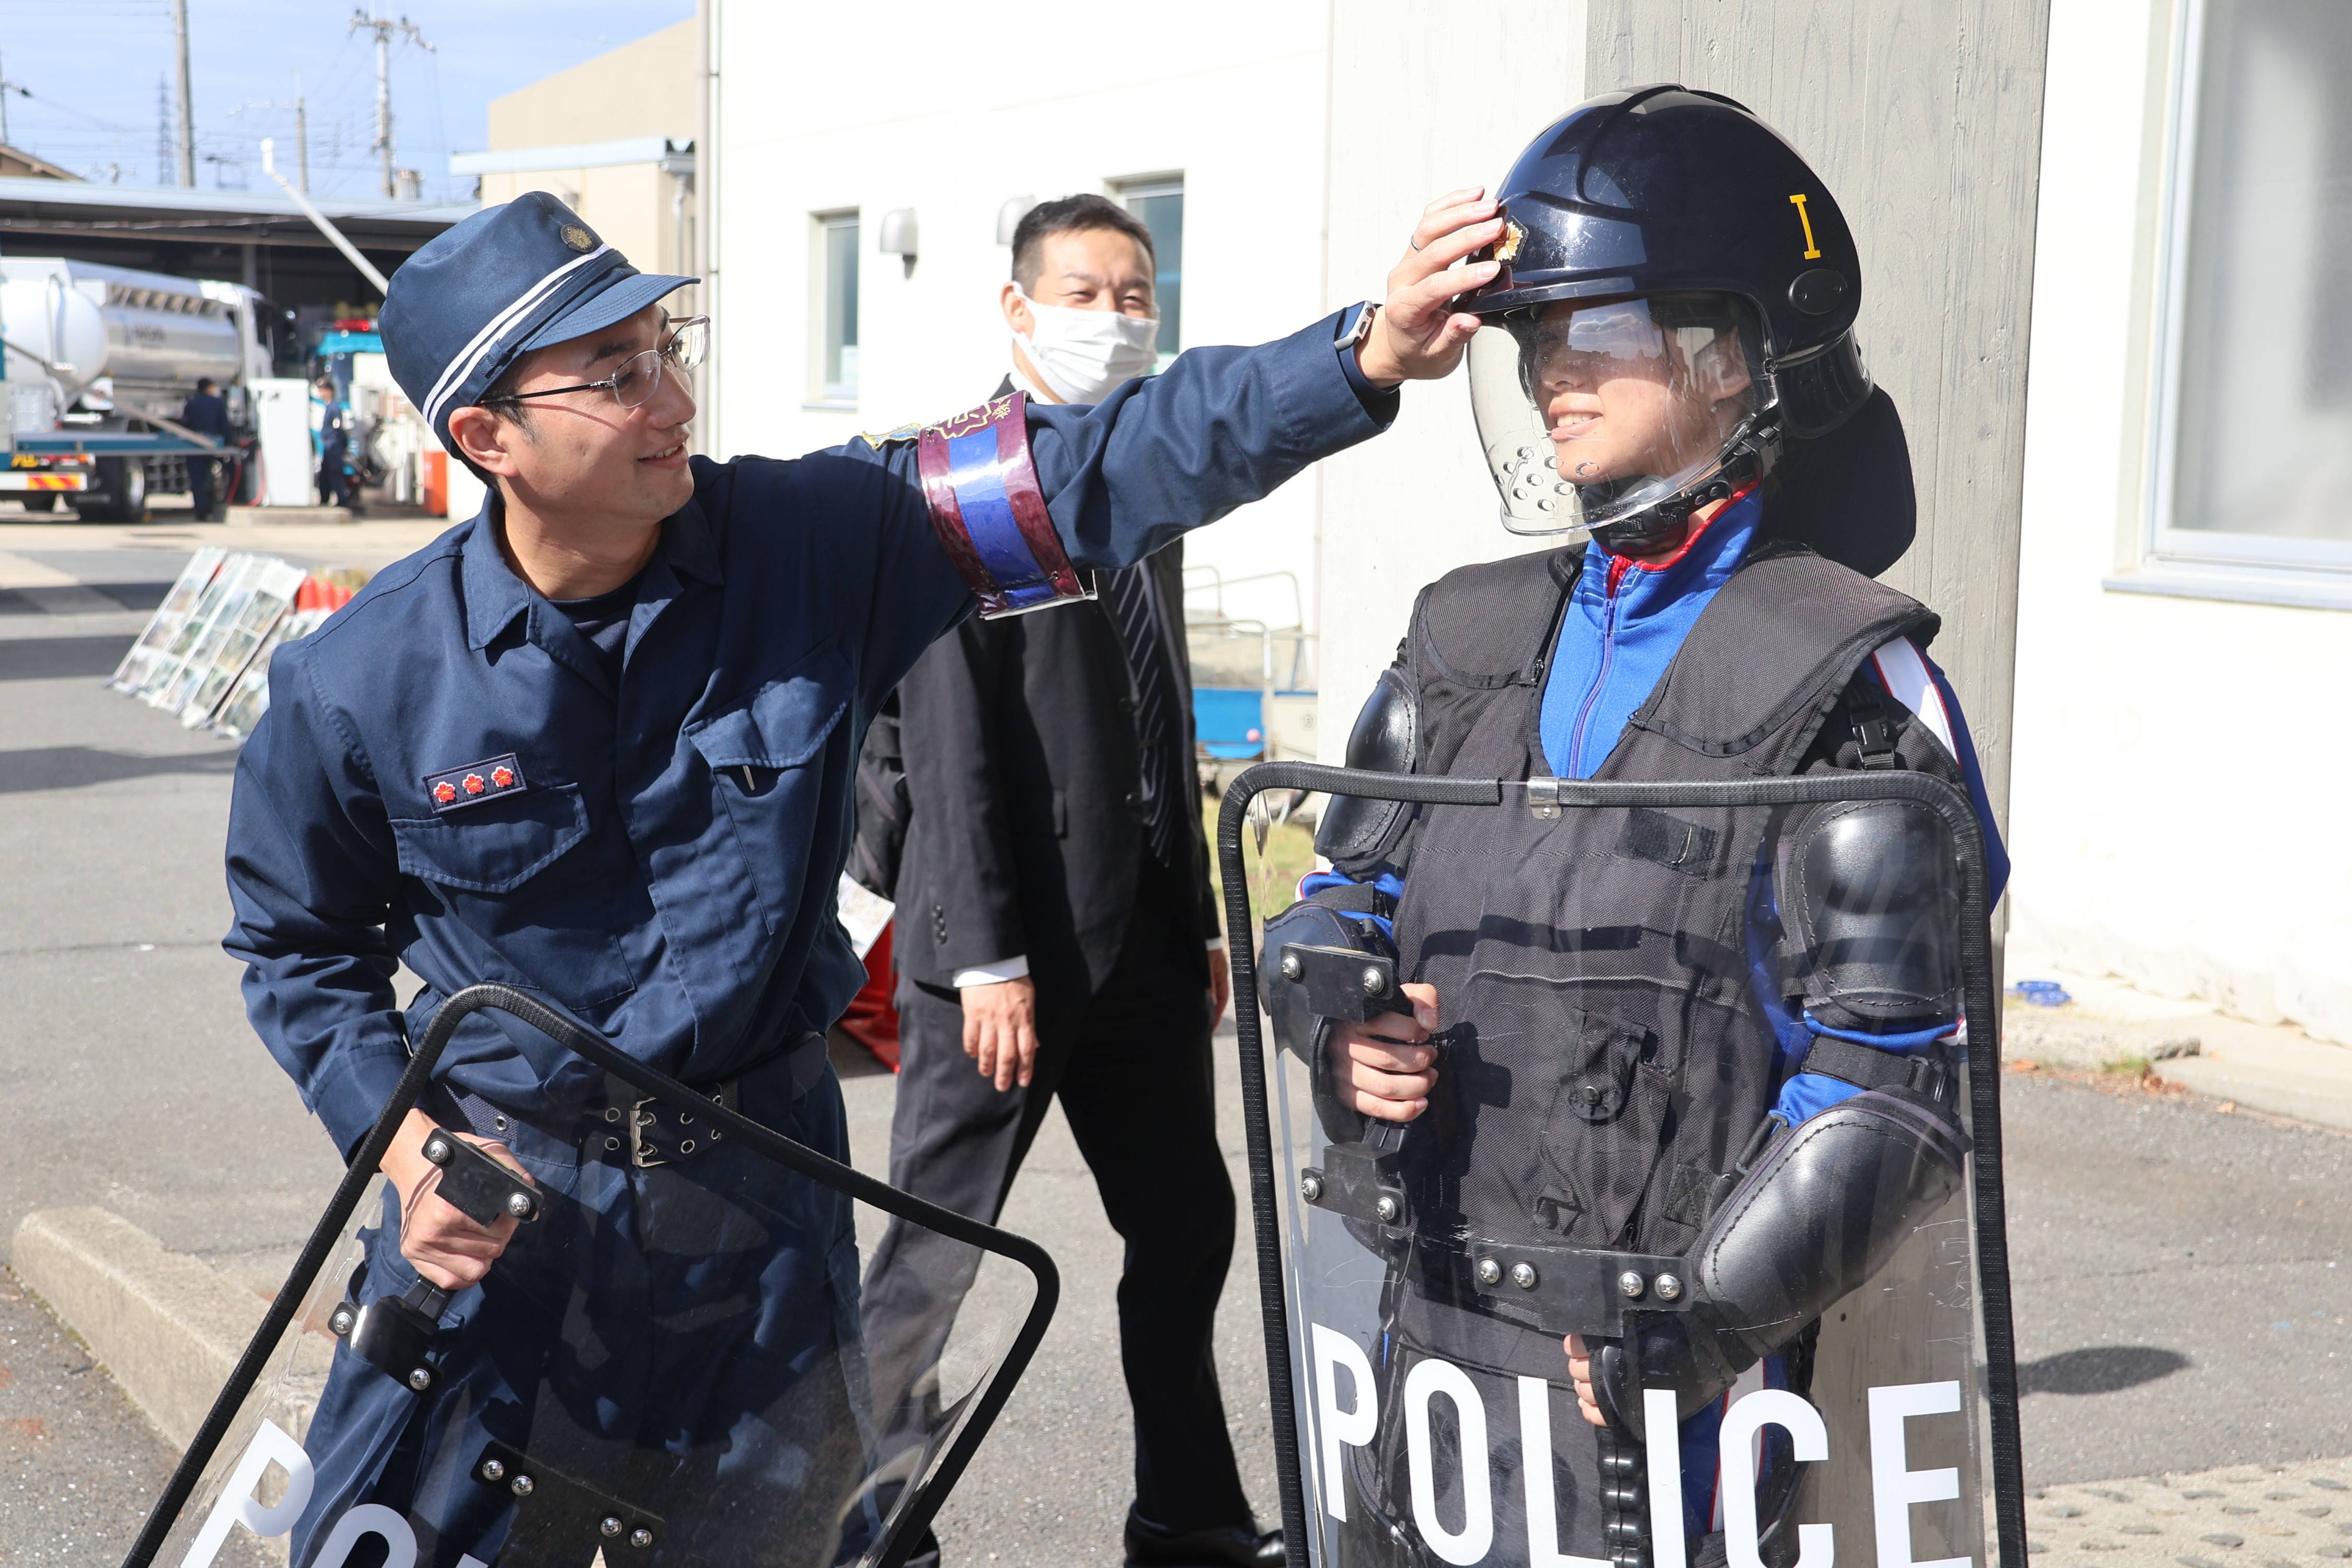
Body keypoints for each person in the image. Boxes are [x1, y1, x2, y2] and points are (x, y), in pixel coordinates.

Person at [222, 188, 1499, 1559]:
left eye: (670, 346)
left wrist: (1358, 355)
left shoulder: (829, 540)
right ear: (486, 438)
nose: (671, 399)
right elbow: (295, 946)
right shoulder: (360, 684)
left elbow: (1101, 463)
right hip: (516, 1221)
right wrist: (410, 1152)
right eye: (613, 375)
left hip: (767, 1210)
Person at [1258, 87, 2011, 1567]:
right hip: (1420, 1341)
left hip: (1667, 1401)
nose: (1551, 377)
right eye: (1536, 341)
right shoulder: (1459, 634)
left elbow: (1891, 1082)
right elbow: (1333, 886)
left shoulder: (1849, 678)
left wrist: (1701, 1316)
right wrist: (1332, 1003)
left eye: (1592, 334)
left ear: (1731, 356)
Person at [855, 193, 1260, 1568]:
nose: (1117, 317)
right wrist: (980, 956)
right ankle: (859, 1523)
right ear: (1019, 309)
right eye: (1086, 292)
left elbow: (1164, 711)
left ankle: (1190, 1516)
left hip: (1143, 943)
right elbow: (947, 733)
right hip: (1004, 959)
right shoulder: (963, 478)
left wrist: (1198, 913)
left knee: (1185, 1227)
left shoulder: (1139, 485)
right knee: (935, 1247)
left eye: (1138, 294)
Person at [180, 375, 232, 521]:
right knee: (209, 478)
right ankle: (210, 508)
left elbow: (186, 425)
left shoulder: (191, 404)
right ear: (209, 388)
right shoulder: (218, 403)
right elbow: (224, 425)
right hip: (211, 446)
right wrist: (228, 443)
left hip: (193, 446)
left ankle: (200, 511)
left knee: (196, 480)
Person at [314, 375, 354, 510]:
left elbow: (338, 428)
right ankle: (324, 499)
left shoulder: (334, 408)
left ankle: (342, 500)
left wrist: (341, 445)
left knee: (335, 473)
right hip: (329, 444)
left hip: (334, 445)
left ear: (329, 391)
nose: (321, 393)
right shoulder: (329, 407)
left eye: (322, 390)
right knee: (325, 473)